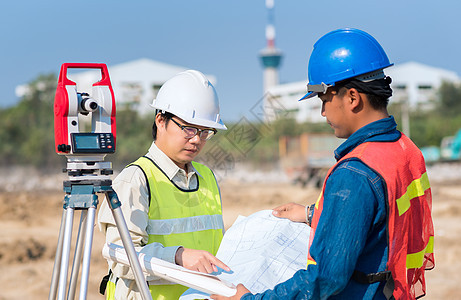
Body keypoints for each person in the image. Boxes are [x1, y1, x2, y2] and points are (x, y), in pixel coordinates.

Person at [212, 28, 435, 299]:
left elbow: (324, 280)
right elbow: (380, 221)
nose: (322, 112)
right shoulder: (404, 149)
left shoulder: (355, 174)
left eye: (324, 99)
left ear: (352, 98)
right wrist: (312, 214)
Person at [98, 69, 231, 300]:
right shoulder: (136, 179)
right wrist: (178, 256)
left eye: (205, 131)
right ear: (161, 120)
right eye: (188, 128)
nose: (197, 139)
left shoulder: (207, 177)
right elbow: (119, 258)